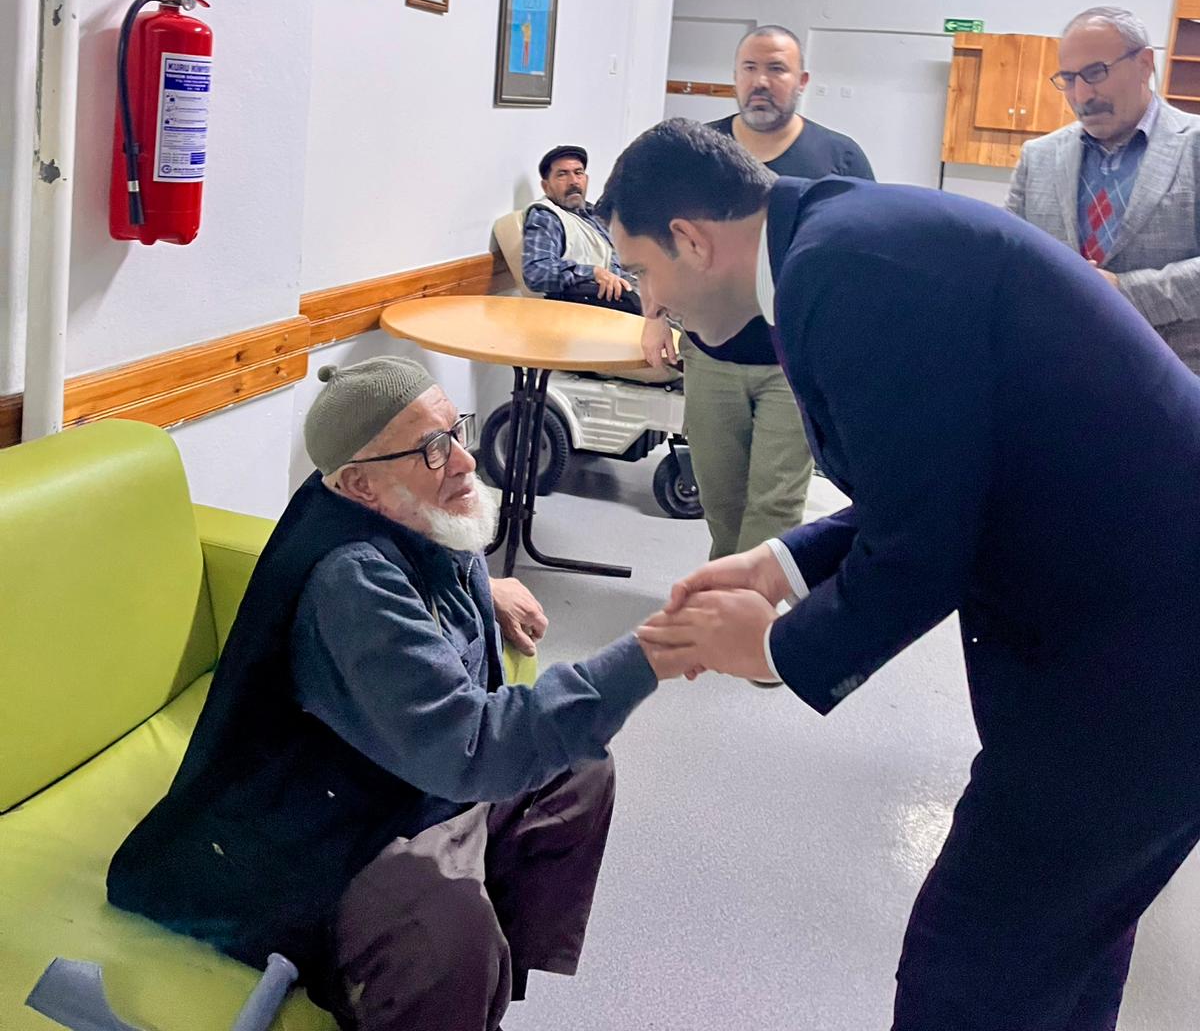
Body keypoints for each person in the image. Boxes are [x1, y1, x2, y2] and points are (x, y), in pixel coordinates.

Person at [599, 118, 1200, 1031]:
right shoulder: (839, 238)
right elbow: (939, 481)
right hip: (1137, 626)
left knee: (967, 972)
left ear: (692, 239)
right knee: (1065, 945)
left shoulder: (841, 272)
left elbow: (925, 549)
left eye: (643, 272)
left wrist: (771, 650)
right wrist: (780, 562)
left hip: (1140, 653)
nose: (651, 303)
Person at [108, 357, 657, 1031]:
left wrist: (482, 590)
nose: (464, 461)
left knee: (580, 770)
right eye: (432, 449)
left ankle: (480, 1001)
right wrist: (656, 652)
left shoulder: (413, 508)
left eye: (456, 431)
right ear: (361, 485)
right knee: (446, 938)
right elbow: (471, 747)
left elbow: (427, 565)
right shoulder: (352, 582)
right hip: (323, 823)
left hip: (401, 772)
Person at [641, 26, 874, 557]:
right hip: (709, 357)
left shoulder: (839, 158)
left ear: (802, 80)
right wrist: (653, 315)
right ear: (735, 77)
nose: (761, 81)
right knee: (720, 501)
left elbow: (860, 257)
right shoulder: (693, 151)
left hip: (791, 366)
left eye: (776, 69)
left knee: (773, 504)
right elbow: (654, 238)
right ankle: (729, 593)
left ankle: (750, 601)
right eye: (750, 68)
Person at [1008, 4, 1200, 372]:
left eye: (1095, 73)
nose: (1081, 95)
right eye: (1068, 78)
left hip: (1172, 380)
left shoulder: (1194, 146)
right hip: (1058, 373)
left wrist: (1123, 291)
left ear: (1144, 64)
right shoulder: (1039, 157)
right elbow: (1011, 256)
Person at [522, 144, 639, 313]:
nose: (573, 181)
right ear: (546, 186)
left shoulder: (593, 214)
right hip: (595, 303)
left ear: (586, 179)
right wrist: (593, 272)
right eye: (562, 174)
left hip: (630, 288)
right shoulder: (545, 216)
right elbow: (537, 272)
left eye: (578, 173)